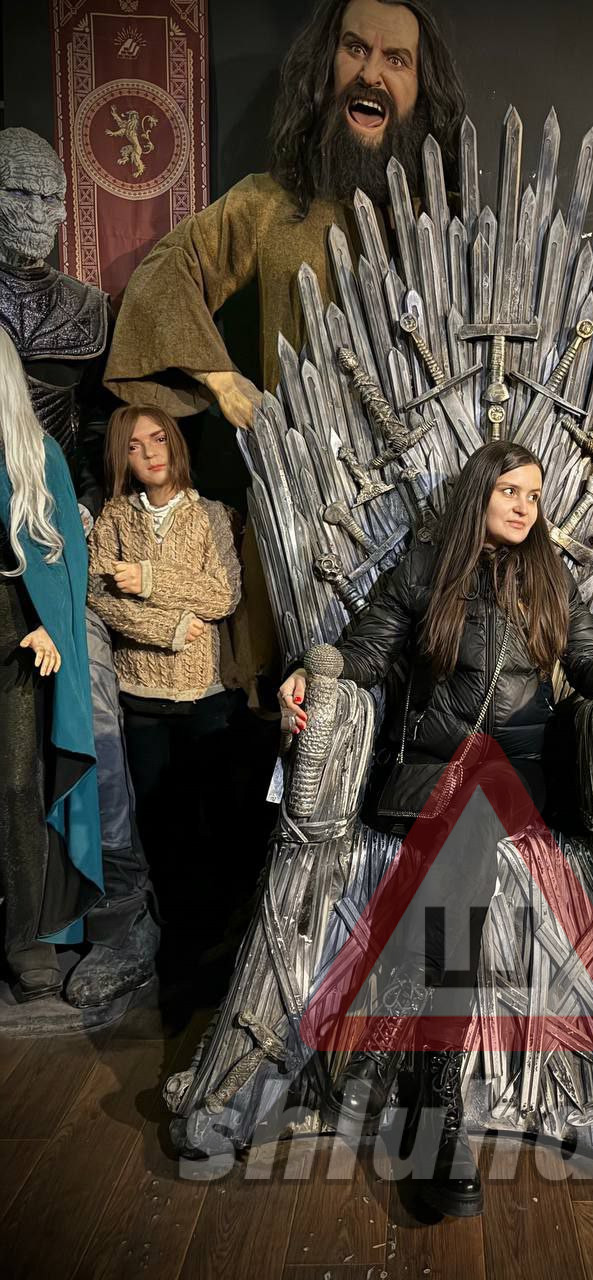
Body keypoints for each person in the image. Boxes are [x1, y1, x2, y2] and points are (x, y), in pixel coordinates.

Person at [279, 441, 593, 1216]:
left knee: (485, 799)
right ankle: (436, 1097)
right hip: (426, 775)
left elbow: (591, 665)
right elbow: (364, 653)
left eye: (533, 495)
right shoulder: (426, 568)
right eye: (509, 490)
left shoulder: (550, 576)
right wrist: (309, 671)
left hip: (519, 780)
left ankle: (415, 1064)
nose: (524, 506)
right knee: (473, 806)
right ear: (479, 493)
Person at [104, 0, 465, 426]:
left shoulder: (448, 221)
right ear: (327, 64)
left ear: (421, 87)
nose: (370, 74)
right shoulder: (267, 202)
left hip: (432, 455)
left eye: (396, 59)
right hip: (308, 455)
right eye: (355, 49)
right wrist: (222, 380)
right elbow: (164, 273)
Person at [0, 125, 157, 1010]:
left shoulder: (85, 311)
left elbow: (100, 426)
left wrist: (89, 511)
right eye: (20, 194)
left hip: (57, 535)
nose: (41, 213)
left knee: (90, 704)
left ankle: (117, 904)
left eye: (54, 197)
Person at [86, 407, 241, 935]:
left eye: (158, 439)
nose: (151, 453)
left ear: (176, 442)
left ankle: (216, 929)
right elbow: (97, 594)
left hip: (204, 696)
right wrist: (167, 628)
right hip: (139, 694)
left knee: (210, 815)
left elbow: (222, 594)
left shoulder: (211, 515)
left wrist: (149, 577)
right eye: (135, 446)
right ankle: (169, 932)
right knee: (156, 820)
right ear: (122, 458)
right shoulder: (115, 517)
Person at [0, 327, 102, 1001]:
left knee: (16, 785)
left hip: (16, 645)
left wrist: (45, 627)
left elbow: (65, 563)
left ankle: (27, 937)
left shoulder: (36, 457)